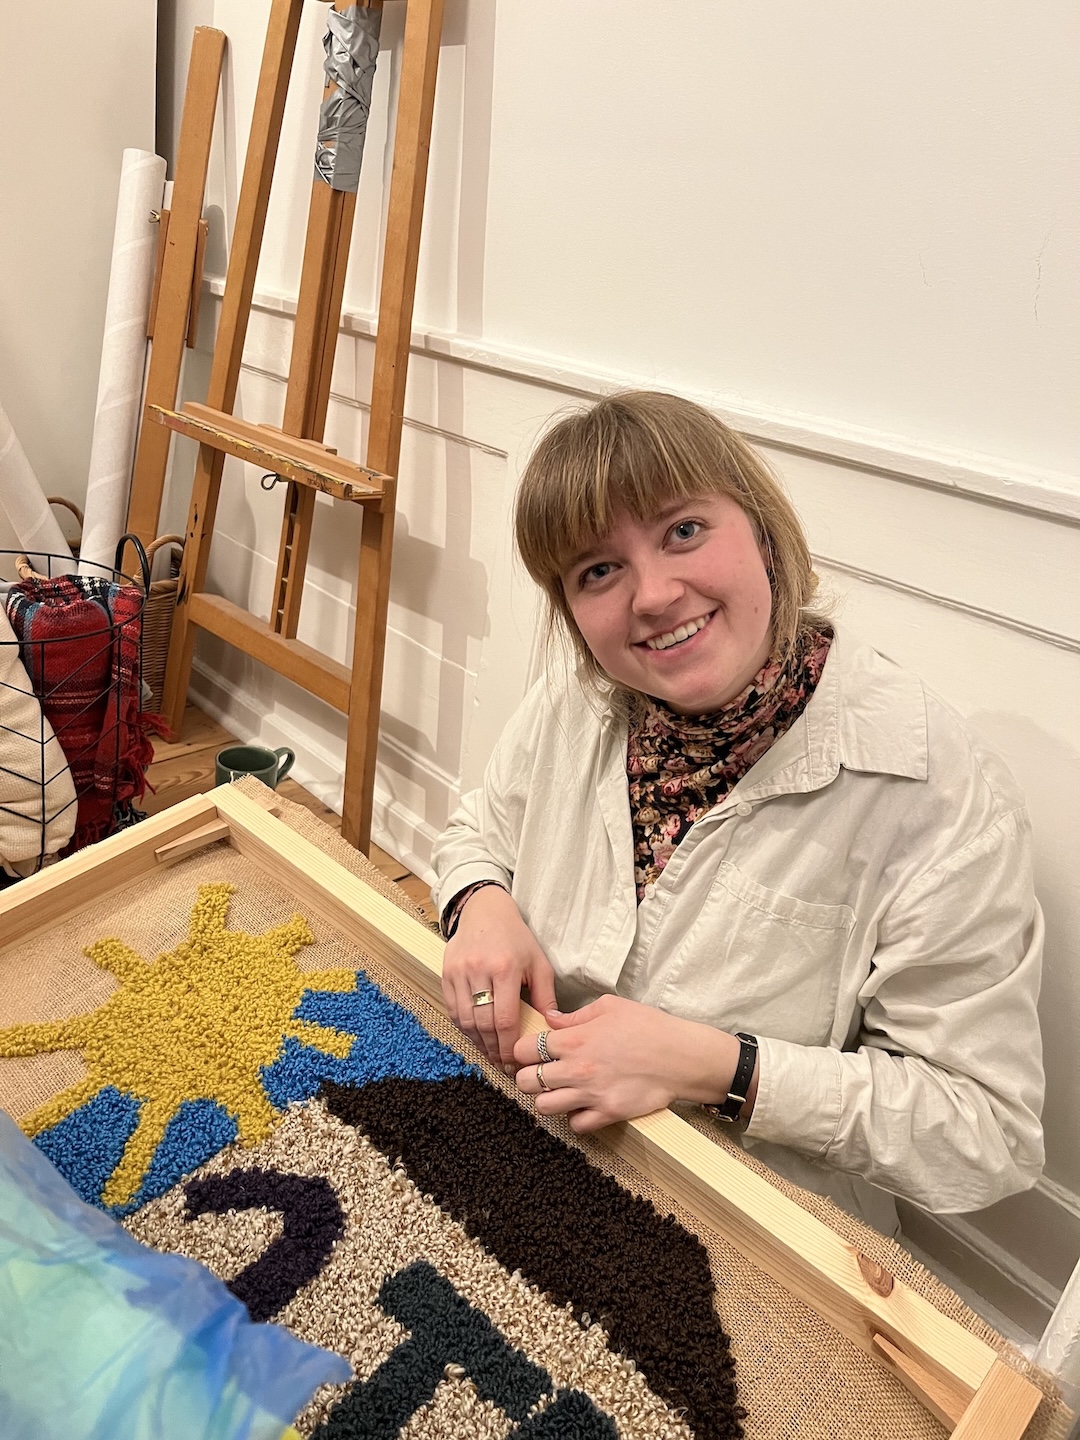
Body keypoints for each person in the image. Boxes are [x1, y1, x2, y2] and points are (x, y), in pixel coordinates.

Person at [431, 390, 1044, 1233]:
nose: (653, 595)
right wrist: (478, 903)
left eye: (683, 531)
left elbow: (984, 1130)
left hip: (751, 1223)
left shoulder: (934, 785)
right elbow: (478, 830)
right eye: (598, 571)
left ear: (762, 530)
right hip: (532, 1138)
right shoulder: (579, 697)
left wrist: (720, 1067)